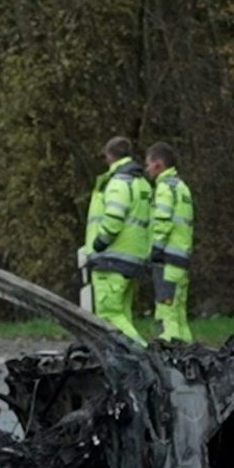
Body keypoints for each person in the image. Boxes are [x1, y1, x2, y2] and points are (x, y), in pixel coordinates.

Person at [80, 137, 152, 344]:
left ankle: (144, 356)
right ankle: (129, 367)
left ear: (109, 156)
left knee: (109, 315)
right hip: (133, 257)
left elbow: (114, 216)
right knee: (123, 314)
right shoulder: (141, 182)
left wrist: (100, 242)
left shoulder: (118, 182)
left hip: (111, 258)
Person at [146, 142, 195, 342]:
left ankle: (171, 355)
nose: (147, 169)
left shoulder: (165, 188)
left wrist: (156, 247)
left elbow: (163, 221)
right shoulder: (181, 187)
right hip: (181, 259)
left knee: (167, 314)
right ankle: (189, 353)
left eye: (148, 164)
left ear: (158, 165)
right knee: (179, 314)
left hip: (167, 259)